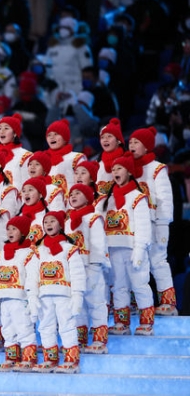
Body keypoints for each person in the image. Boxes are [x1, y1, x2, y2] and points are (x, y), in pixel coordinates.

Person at [97, 152, 155, 336]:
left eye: (119, 168)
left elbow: (144, 226)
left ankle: (146, 323)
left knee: (139, 284)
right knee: (118, 286)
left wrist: (140, 250)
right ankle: (121, 322)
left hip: (132, 249)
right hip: (113, 248)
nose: (115, 172)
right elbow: (99, 224)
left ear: (129, 172)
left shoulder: (138, 197)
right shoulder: (108, 199)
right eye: (113, 169)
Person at [129, 127, 176, 316]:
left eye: (136, 142)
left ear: (147, 146)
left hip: (156, 223)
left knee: (157, 261)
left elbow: (165, 198)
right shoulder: (128, 169)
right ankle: (135, 303)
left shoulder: (157, 169)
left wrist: (163, 223)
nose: (132, 145)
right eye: (130, 142)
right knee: (136, 262)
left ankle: (168, 302)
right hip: (135, 225)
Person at [32, 211, 86, 373]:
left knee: (67, 325)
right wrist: (32, 295)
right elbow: (32, 275)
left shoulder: (70, 249)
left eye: (52, 221)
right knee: (45, 326)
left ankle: (71, 361)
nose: (48, 224)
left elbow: (78, 274)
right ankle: (50, 359)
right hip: (44, 295)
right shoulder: (38, 251)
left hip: (64, 295)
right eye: (46, 222)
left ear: (61, 225)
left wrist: (77, 295)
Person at [0, 215, 38, 372]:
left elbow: (32, 277)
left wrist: (31, 297)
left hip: (20, 298)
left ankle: (29, 358)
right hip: (4, 298)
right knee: (7, 329)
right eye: (8, 229)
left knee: (23, 327)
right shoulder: (2, 253)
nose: (9, 232)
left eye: (14, 229)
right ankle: (11, 358)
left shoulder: (29, 253)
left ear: (23, 232)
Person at [66, 184, 110, 354]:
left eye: (78, 193)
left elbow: (98, 244)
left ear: (88, 197)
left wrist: (95, 267)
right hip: (74, 269)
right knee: (79, 304)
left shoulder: (93, 218)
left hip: (91, 267)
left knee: (96, 302)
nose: (73, 196)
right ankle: (80, 339)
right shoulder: (68, 221)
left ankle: (100, 340)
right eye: (71, 193)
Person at [0, 113, 31, 191]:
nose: (1, 131)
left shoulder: (25, 156)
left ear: (14, 133)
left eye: (6, 128)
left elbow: (28, 183)